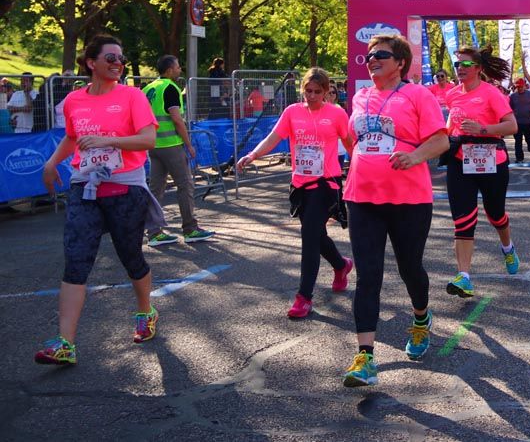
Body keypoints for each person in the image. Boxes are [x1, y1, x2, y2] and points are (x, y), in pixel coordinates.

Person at [37, 35, 160, 365]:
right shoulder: (75, 100)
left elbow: (148, 139)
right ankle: (65, 342)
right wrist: (51, 163)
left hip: (125, 190)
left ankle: (146, 311)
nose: (117, 62)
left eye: (120, 57)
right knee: (76, 260)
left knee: (130, 257)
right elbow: (73, 137)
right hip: (84, 189)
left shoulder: (132, 95)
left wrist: (109, 140)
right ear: (91, 63)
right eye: (110, 57)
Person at [341, 35, 450, 387]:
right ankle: (365, 358)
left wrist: (415, 156)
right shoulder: (360, 96)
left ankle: (420, 319)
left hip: (409, 199)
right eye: (368, 56)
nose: (372, 60)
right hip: (362, 198)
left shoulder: (418, 95)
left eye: (380, 56)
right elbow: (351, 137)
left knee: (409, 269)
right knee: (367, 275)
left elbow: (441, 139)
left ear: (400, 62)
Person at [236, 68, 354, 318]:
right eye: (308, 91)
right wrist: (253, 155)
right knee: (316, 235)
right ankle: (341, 265)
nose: (311, 96)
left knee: (309, 238)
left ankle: (304, 297)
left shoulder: (336, 114)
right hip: (300, 184)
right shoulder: (292, 112)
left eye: (317, 92)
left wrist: (359, 170)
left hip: (326, 183)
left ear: (326, 92)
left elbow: (349, 143)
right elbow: (273, 137)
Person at [443, 46, 519, 298]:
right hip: (460, 161)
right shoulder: (452, 95)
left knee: (495, 213)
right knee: (463, 219)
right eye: (457, 65)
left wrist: (482, 129)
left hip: (491, 160)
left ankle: (507, 247)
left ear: (477, 68)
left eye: (465, 65)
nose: (460, 70)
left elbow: (512, 126)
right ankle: (464, 276)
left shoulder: (491, 93)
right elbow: (449, 127)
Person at [144, 55, 215, 247]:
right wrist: (188, 144)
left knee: (156, 189)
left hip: (154, 146)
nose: (179, 70)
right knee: (185, 185)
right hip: (171, 146)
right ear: (168, 70)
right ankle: (190, 229)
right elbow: (176, 119)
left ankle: (154, 232)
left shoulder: (148, 89)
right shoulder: (170, 88)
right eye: (177, 67)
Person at [508, 78, 530, 163]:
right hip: (517, 122)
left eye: (521, 86)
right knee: (518, 140)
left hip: (529, 121)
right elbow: (510, 107)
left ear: (525, 86)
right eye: (518, 87)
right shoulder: (512, 96)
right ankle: (519, 157)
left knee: (529, 139)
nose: (520, 88)